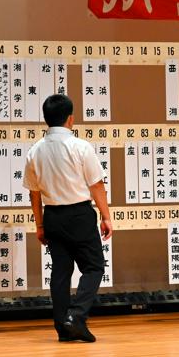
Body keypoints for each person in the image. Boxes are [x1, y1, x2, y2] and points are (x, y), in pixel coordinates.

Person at [23, 94, 113, 342]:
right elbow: (97, 186)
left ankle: (63, 327)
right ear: (70, 118)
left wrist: (39, 225)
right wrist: (106, 217)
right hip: (79, 215)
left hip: (52, 216)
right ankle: (76, 316)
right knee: (94, 267)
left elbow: (34, 194)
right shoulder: (81, 147)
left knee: (60, 273)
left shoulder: (35, 151)